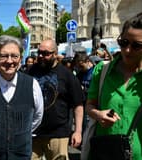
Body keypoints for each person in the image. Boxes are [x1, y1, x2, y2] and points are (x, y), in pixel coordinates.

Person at [86, 12, 142, 160]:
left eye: (136, 46)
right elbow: (89, 105)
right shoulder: (102, 70)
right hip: (105, 152)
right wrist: (98, 114)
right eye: (124, 43)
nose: (127, 50)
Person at [28, 38, 84, 160]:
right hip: (32, 132)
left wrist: (78, 131)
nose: (42, 56)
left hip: (58, 133)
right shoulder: (30, 71)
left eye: (46, 53)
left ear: (55, 53)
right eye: (40, 53)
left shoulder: (67, 74)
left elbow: (78, 104)